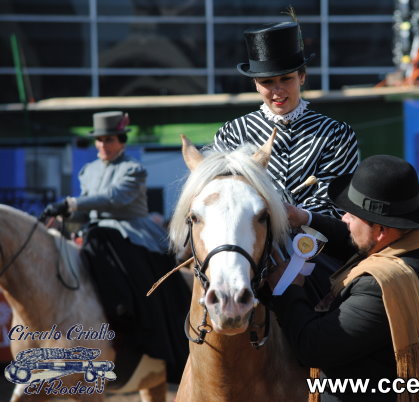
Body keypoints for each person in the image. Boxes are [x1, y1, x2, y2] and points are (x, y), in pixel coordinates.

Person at [267, 155, 419, 402]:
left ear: (380, 231)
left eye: (351, 214)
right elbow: (355, 240)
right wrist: (305, 217)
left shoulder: (380, 286)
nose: (343, 219)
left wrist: (289, 289)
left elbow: (313, 348)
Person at [42, 111, 190, 384]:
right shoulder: (89, 171)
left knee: (100, 238)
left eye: (108, 139)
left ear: (121, 140)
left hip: (131, 231)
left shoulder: (134, 169)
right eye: (98, 140)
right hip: (96, 231)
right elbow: (85, 213)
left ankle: (123, 307)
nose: (102, 145)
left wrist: (72, 203)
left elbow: (114, 199)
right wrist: (63, 216)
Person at [205, 18, 359, 218]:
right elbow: (219, 197)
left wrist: (292, 217)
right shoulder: (232, 134)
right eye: (267, 82)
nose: (277, 90)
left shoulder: (336, 135)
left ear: (302, 77)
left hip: (317, 242)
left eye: (286, 79)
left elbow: (335, 203)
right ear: (256, 84)